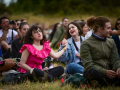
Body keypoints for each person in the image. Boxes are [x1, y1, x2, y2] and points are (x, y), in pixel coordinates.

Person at [80, 16, 120, 86]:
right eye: (108, 28)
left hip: (110, 72)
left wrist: (118, 68)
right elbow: (88, 65)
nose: (111, 30)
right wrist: (105, 72)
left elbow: (115, 59)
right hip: (96, 72)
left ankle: (102, 83)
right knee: (91, 72)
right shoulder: (86, 43)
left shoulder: (111, 42)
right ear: (100, 29)